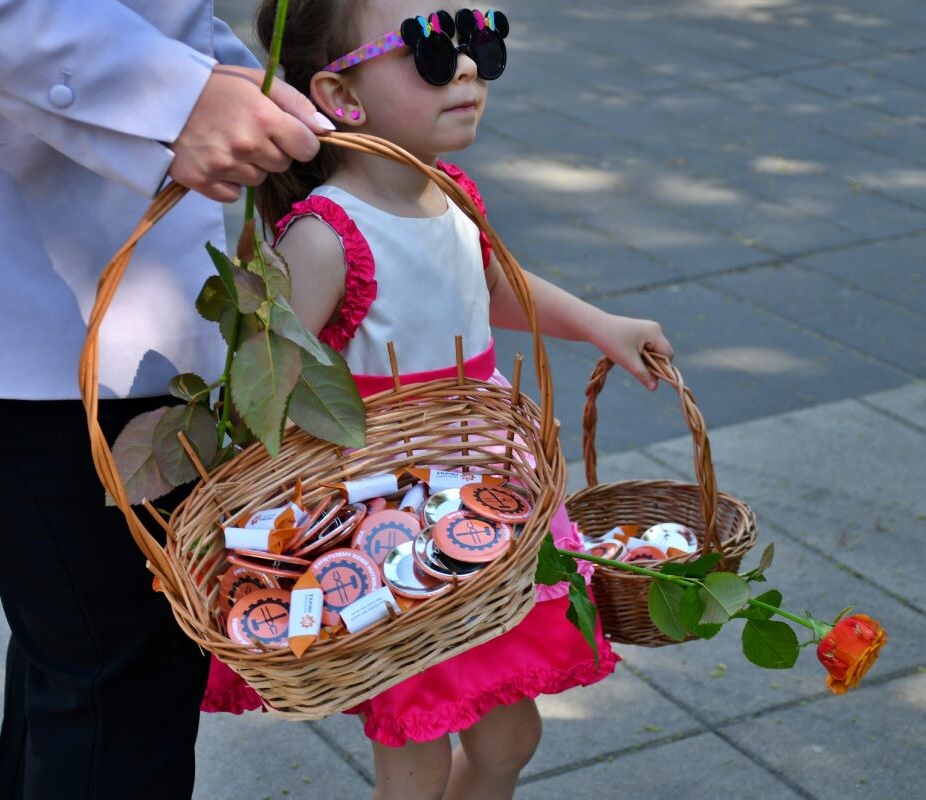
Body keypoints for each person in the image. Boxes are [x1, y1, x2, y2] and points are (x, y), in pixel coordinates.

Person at [0, 2, 332, 797]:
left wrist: (222, 77)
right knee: (117, 660)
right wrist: (172, 96)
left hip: (73, 278)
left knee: (89, 646)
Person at [202, 3, 677, 799]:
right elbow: (263, 387)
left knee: (510, 734)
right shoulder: (324, 234)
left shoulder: (450, 194)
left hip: (490, 490)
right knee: (415, 748)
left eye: (478, 39)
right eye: (428, 48)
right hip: (394, 518)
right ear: (341, 95)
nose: (464, 66)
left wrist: (601, 327)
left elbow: (495, 284)